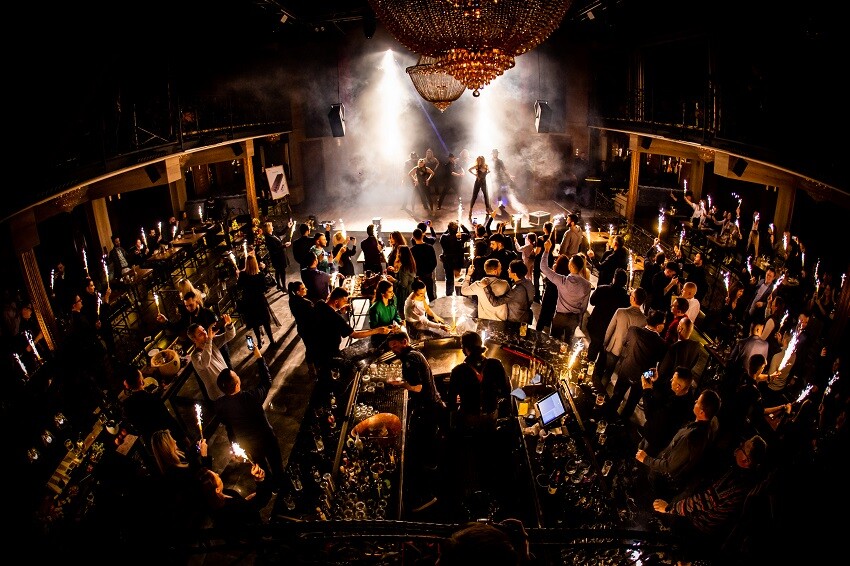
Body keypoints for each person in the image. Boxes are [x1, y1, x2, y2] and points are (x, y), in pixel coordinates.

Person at [651, 434, 768, 563]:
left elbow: (701, 502)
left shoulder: (736, 483)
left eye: (742, 447)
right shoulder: (740, 473)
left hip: (698, 526)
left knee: (674, 545)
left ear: (746, 461)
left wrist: (668, 508)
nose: (739, 446)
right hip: (701, 521)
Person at [214, 345, 285, 493]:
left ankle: (270, 487)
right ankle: (281, 486)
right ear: (237, 383)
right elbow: (266, 382)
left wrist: (234, 444)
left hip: (248, 443)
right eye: (236, 375)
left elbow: (228, 426)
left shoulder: (220, 405)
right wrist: (259, 358)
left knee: (261, 466)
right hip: (266, 438)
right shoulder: (251, 397)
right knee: (276, 464)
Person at [386, 332, 446, 493]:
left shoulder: (410, 359)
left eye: (395, 345)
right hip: (433, 401)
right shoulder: (414, 354)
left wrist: (400, 384)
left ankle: (430, 474)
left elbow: (418, 387)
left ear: (404, 341)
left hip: (428, 406)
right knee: (430, 435)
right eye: (391, 347)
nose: (393, 349)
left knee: (427, 437)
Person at [635, 388, 722, 499]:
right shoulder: (713, 423)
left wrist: (645, 459)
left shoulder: (690, 438)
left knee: (650, 485)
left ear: (701, 412)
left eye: (698, 402)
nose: (695, 401)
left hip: (663, 475)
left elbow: (669, 466)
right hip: (669, 465)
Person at [312, 287, 391, 377]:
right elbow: (354, 334)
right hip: (328, 351)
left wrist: (339, 311)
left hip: (316, 348)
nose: (347, 304)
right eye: (345, 301)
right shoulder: (335, 317)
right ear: (336, 301)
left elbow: (327, 315)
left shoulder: (319, 304)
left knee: (321, 370)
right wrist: (377, 330)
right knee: (330, 374)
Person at [605, 309, 668, 422]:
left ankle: (607, 417)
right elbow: (659, 362)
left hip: (627, 368)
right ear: (658, 326)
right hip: (644, 376)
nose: (664, 326)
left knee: (617, 395)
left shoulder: (633, 330)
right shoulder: (662, 344)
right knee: (632, 402)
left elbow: (625, 343)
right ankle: (622, 422)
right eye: (664, 323)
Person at [448, 331, 510, 435]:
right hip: (491, 416)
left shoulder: (458, 371)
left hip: (469, 418)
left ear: (465, 349)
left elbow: (451, 400)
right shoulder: (496, 364)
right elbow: (506, 390)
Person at [120, 365, 188, 451]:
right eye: (141, 376)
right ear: (141, 381)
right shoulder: (152, 398)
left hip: (153, 445)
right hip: (167, 440)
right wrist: (184, 437)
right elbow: (169, 419)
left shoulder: (127, 405)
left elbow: (135, 428)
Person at [594, 287, 648, 390]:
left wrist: (605, 343)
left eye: (631, 295)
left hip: (614, 347)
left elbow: (610, 329)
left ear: (633, 299)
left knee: (608, 372)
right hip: (628, 353)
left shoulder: (621, 312)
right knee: (621, 377)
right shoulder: (644, 320)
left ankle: (599, 392)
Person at [540, 241, 592, 344]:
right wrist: (579, 319)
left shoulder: (563, 281)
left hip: (560, 316)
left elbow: (543, 267)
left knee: (554, 341)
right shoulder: (587, 285)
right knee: (568, 343)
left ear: (571, 266)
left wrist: (546, 250)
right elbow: (584, 306)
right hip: (574, 317)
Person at [640, 366, 697, 457]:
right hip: (651, 432)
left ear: (678, 386)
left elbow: (650, 415)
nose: (671, 380)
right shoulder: (684, 392)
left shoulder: (677, 408)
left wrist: (646, 391)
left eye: (673, 379)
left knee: (642, 457)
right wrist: (656, 381)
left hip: (655, 439)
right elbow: (664, 395)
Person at [197, 464, 268, 533]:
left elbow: (244, 505)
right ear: (217, 490)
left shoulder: (215, 497)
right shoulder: (232, 508)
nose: (218, 474)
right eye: (216, 476)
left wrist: (245, 501)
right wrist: (260, 480)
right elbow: (260, 502)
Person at [586, 267, 630, 369]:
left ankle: (587, 368)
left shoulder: (602, 289)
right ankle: (598, 372)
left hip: (596, 325)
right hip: (611, 330)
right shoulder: (626, 298)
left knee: (593, 349)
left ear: (614, 279)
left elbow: (592, 302)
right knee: (604, 353)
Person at [188, 313, 236, 402]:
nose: (205, 333)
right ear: (194, 340)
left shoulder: (211, 342)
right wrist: (209, 340)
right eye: (200, 334)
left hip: (229, 384)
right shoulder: (195, 356)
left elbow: (229, 335)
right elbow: (205, 363)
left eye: (204, 330)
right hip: (219, 394)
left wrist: (229, 324)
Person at [237, 254, 275, 350]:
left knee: (255, 323)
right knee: (265, 321)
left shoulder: (243, 275)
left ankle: (259, 341)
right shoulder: (260, 275)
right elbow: (264, 288)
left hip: (249, 302)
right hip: (259, 301)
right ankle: (271, 340)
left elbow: (239, 287)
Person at [482, 259, 535, 325]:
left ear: (514, 274)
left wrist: (486, 288)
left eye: (509, 269)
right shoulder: (529, 283)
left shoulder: (517, 290)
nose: (507, 270)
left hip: (515, 321)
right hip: (525, 318)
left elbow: (495, 303)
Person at [658, 317, 703, 384]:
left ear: (680, 329)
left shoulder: (674, 348)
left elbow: (662, 371)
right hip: (682, 382)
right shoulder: (696, 347)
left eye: (678, 324)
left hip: (668, 383)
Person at [80, 276, 116, 356]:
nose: (94, 287)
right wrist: (106, 297)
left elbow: (103, 309)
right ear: (87, 289)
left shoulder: (94, 296)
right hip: (101, 325)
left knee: (110, 341)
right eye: (91, 285)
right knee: (109, 342)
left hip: (104, 321)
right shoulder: (88, 302)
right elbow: (101, 312)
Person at [288, 281, 317, 376]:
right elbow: (314, 316)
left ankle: (311, 367)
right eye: (303, 289)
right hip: (310, 329)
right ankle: (312, 369)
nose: (306, 289)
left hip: (301, 328)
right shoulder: (306, 303)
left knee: (308, 346)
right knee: (311, 348)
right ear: (297, 292)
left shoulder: (291, 300)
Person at [439, 220, 472, 296]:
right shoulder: (461, 236)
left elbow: (443, 235)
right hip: (458, 262)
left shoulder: (444, 237)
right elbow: (469, 234)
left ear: (448, 229)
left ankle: (449, 295)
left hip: (448, 262)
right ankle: (459, 294)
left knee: (449, 279)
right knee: (459, 279)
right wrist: (462, 225)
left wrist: (449, 229)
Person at [369, 279, 403, 346]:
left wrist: (400, 321)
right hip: (380, 338)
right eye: (390, 292)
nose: (392, 293)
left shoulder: (393, 299)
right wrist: (389, 327)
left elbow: (395, 314)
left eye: (392, 291)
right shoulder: (375, 308)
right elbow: (373, 327)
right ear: (382, 293)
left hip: (390, 333)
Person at [410, 227, 438, 301]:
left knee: (418, 296)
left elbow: (411, 264)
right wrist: (429, 271)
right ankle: (432, 308)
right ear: (422, 235)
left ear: (413, 237)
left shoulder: (412, 250)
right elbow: (434, 262)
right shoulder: (430, 247)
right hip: (428, 275)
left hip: (417, 276)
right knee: (431, 295)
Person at [263, 221, 291, 292]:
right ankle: (284, 287)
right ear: (268, 228)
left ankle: (278, 285)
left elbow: (281, 233)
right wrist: (284, 245)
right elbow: (275, 249)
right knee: (281, 271)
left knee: (278, 271)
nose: (273, 227)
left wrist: (287, 227)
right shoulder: (268, 238)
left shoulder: (273, 233)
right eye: (271, 226)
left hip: (280, 255)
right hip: (277, 257)